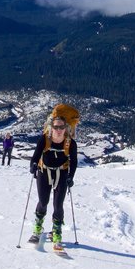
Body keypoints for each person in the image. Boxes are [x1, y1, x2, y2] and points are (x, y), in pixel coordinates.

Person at [28, 105, 79, 248]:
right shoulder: (44, 139)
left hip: (62, 173)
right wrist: (33, 165)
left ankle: (57, 231)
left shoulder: (70, 143)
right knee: (43, 201)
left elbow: (74, 162)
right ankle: (38, 227)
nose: (58, 130)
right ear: (51, 127)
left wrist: (71, 177)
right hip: (44, 172)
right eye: (56, 127)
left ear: (66, 128)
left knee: (58, 204)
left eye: (61, 127)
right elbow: (36, 156)